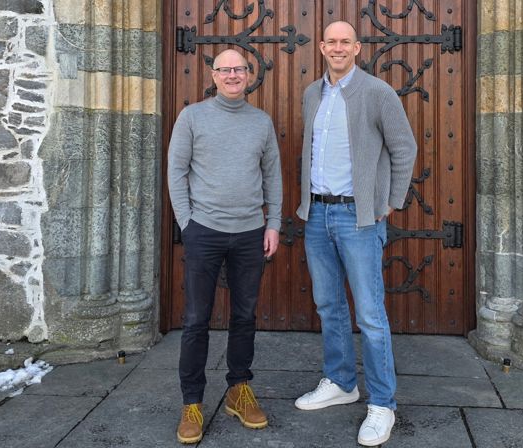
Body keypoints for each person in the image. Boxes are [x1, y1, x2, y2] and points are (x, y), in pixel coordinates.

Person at [294, 21, 417, 446]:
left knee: (369, 314)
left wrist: (391, 201)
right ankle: (341, 382)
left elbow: (404, 147)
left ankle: (382, 404)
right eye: (331, 41)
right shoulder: (312, 94)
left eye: (345, 41)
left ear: (357, 48)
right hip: (317, 215)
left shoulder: (378, 92)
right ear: (321, 47)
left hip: (358, 218)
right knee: (329, 305)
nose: (338, 48)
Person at [167, 49, 282, 444]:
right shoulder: (192, 117)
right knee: (196, 319)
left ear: (249, 75)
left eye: (239, 69)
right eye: (225, 69)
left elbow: (272, 175)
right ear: (213, 76)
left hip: (250, 233)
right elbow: (176, 171)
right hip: (205, 231)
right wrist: (187, 223)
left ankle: (238, 390)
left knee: (244, 316)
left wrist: (273, 223)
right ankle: (192, 403)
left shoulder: (261, 122)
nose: (233, 75)